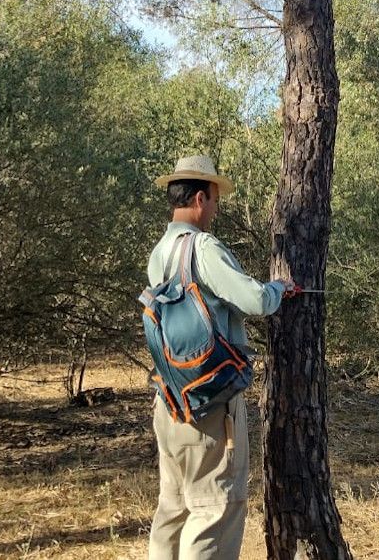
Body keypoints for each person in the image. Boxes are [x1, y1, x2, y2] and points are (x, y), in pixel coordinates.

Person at [146, 154, 295, 560]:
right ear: (199, 199)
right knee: (214, 508)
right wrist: (279, 288)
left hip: (170, 399)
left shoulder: (160, 252)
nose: (215, 208)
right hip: (210, 405)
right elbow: (254, 300)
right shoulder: (203, 247)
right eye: (214, 198)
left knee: (174, 508)